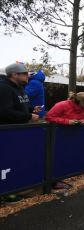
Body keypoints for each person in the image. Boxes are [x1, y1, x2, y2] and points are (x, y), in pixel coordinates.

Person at [0, 63, 42, 204]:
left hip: (19, 132)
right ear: (14, 75)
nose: (27, 76)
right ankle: (6, 193)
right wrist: (28, 117)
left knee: (15, 161)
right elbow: (4, 112)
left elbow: (20, 106)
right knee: (5, 163)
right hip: (7, 133)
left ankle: (12, 188)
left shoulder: (20, 88)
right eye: (24, 73)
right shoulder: (4, 88)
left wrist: (31, 109)